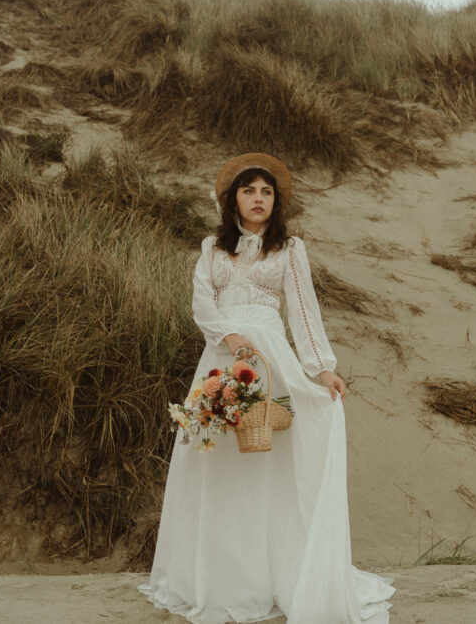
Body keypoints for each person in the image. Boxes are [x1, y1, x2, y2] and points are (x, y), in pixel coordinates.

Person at [137, 153, 395, 623]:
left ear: (276, 202)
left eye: (266, 192)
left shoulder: (290, 249)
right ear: (232, 199)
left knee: (272, 460)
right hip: (220, 360)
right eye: (248, 190)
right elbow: (201, 303)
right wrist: (229, 338)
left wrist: (322, 369)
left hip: (271, 358)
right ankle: (220, 577)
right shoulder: (212, 248)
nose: (258, 199)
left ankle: (272, 572)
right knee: (216, 461)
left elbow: (303, 312)